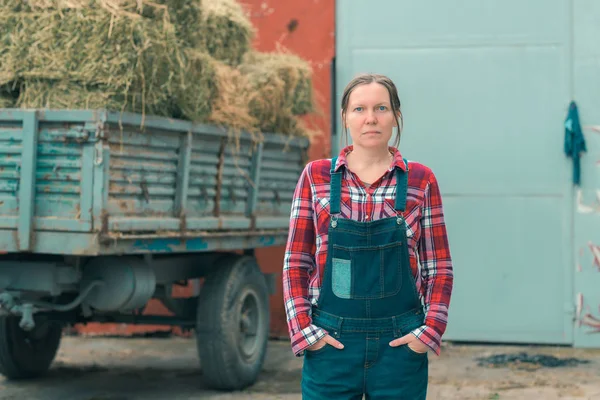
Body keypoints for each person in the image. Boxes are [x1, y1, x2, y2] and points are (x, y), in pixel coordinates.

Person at [282, 73, 454, 399]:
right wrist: (306, 331)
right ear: (345, 117)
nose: (370, 118)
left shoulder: (420, 180)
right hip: (332, 342)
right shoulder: (316, 176)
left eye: (381, 108)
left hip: (399, 343)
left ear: (396, 116)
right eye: (359, 109)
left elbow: (439, 266)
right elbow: (295, 262)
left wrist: (428, 331)